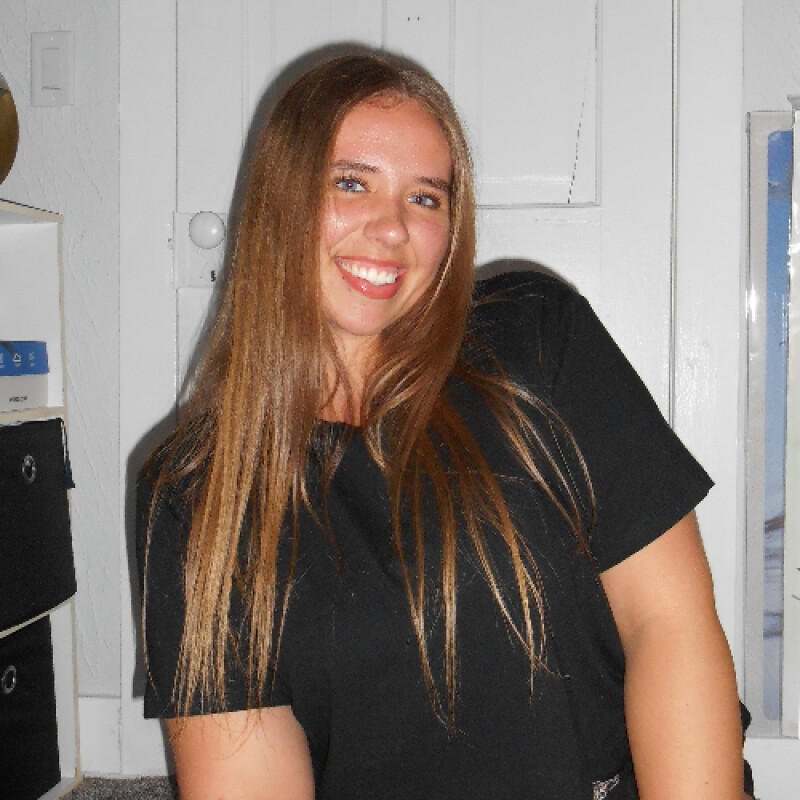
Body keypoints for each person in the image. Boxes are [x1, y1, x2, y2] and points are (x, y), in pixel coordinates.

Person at [137, 52, 747, 799]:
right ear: (279, 200)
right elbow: (246, 771)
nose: (392, 227)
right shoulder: (196, 488)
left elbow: (669, 623)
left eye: (425, 198)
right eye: (351, 182)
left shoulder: (534, 341)